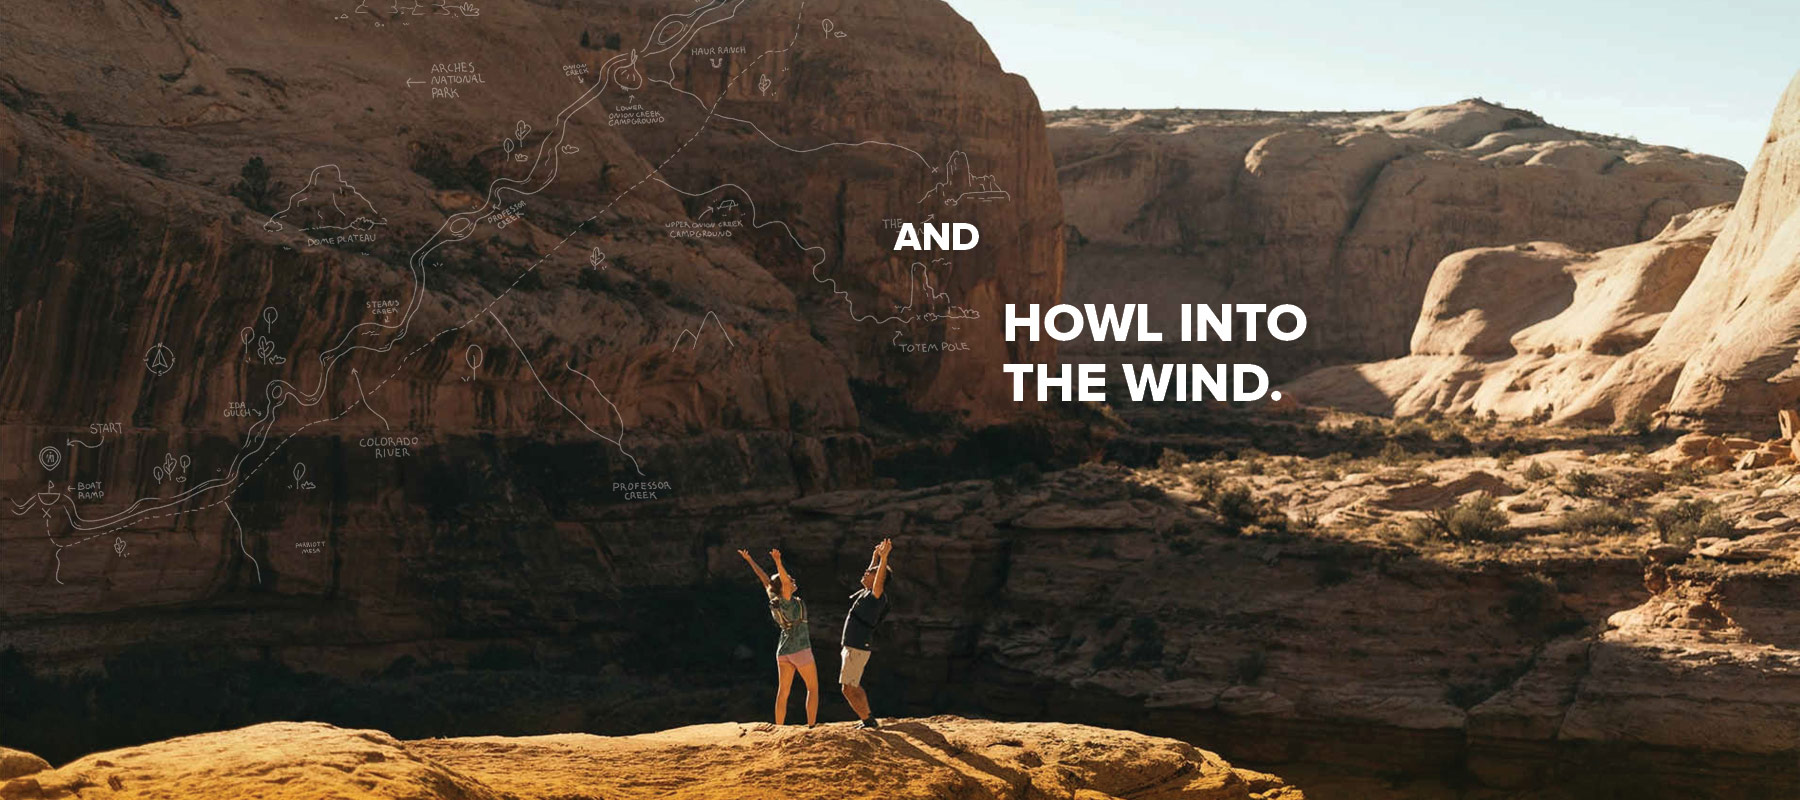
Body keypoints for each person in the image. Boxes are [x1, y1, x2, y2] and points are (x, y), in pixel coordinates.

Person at [738, 547, 820, 727]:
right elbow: (780, 580)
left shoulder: (774, 597)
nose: (792, 581)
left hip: (783, 650)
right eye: (789, 580)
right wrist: (778, 562)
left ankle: (779, 727)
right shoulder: (787, 600)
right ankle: (812, 726)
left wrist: (750, 560)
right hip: (800, 650)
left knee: (783, 692)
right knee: (812, 689)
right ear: (784, 587)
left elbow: (765, 579)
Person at [840, 538, 893, 730]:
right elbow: (873, 575)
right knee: (849, 686)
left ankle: (868, 721)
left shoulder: (876, 596)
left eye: (870, 572)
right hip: (852, 645)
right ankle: (867, 719)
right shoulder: (867, 592)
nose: (865, 572)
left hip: (857, 645)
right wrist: (875, 556)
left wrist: (884, 558)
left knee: (849, 687)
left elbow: (879, 578)